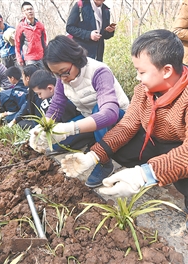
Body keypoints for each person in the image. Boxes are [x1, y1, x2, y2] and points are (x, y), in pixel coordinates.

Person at [60, 29, 188, 239]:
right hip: (158, 141)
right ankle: (159, 170)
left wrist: (145, 174)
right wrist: (93, 156)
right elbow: (128, 125)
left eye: (141, 72)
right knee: (119, 144)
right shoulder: (143, 91)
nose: (137, 77)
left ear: (166, 70)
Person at [29, 35, 129, 187]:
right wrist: (43, 128)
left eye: (64, 72)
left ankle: (105, 161)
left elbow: (109, 113)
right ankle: (94, 139)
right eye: (56, 74)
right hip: (88, 117)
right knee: (55, 145)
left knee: (98, 110)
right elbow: (57, 104)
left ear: (75, 59)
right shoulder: (62, 78)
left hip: (117, 119)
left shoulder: (99, 72)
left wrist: (71, 128)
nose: (62, 79)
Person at [26, 70, 95, 151]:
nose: (39, 97)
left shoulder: (67, 94)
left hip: (84, 119)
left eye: (39, 93)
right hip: (75, 121)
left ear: (50, 88)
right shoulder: (51, 98)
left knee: (56, 145)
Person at [15, 2, 47, 68]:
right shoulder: (20, 26)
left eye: (31, 9)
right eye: (27, 10)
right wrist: (19, 58)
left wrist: (46, 54)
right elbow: (17, 44)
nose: (30, 11)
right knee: (33, 77)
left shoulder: (40, 25)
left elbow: (44, 41)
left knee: (44, 76)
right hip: (29, 58)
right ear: (23, 13)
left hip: (41, 57)